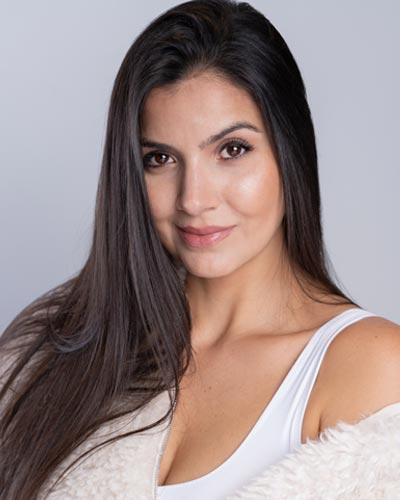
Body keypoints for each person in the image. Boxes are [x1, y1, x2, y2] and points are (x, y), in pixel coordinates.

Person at [1, 0, 400, 499]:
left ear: (290, 152)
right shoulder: (64, 350)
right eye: (160, 158)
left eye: (232, 150)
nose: (193, 199)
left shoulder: (372, 367)